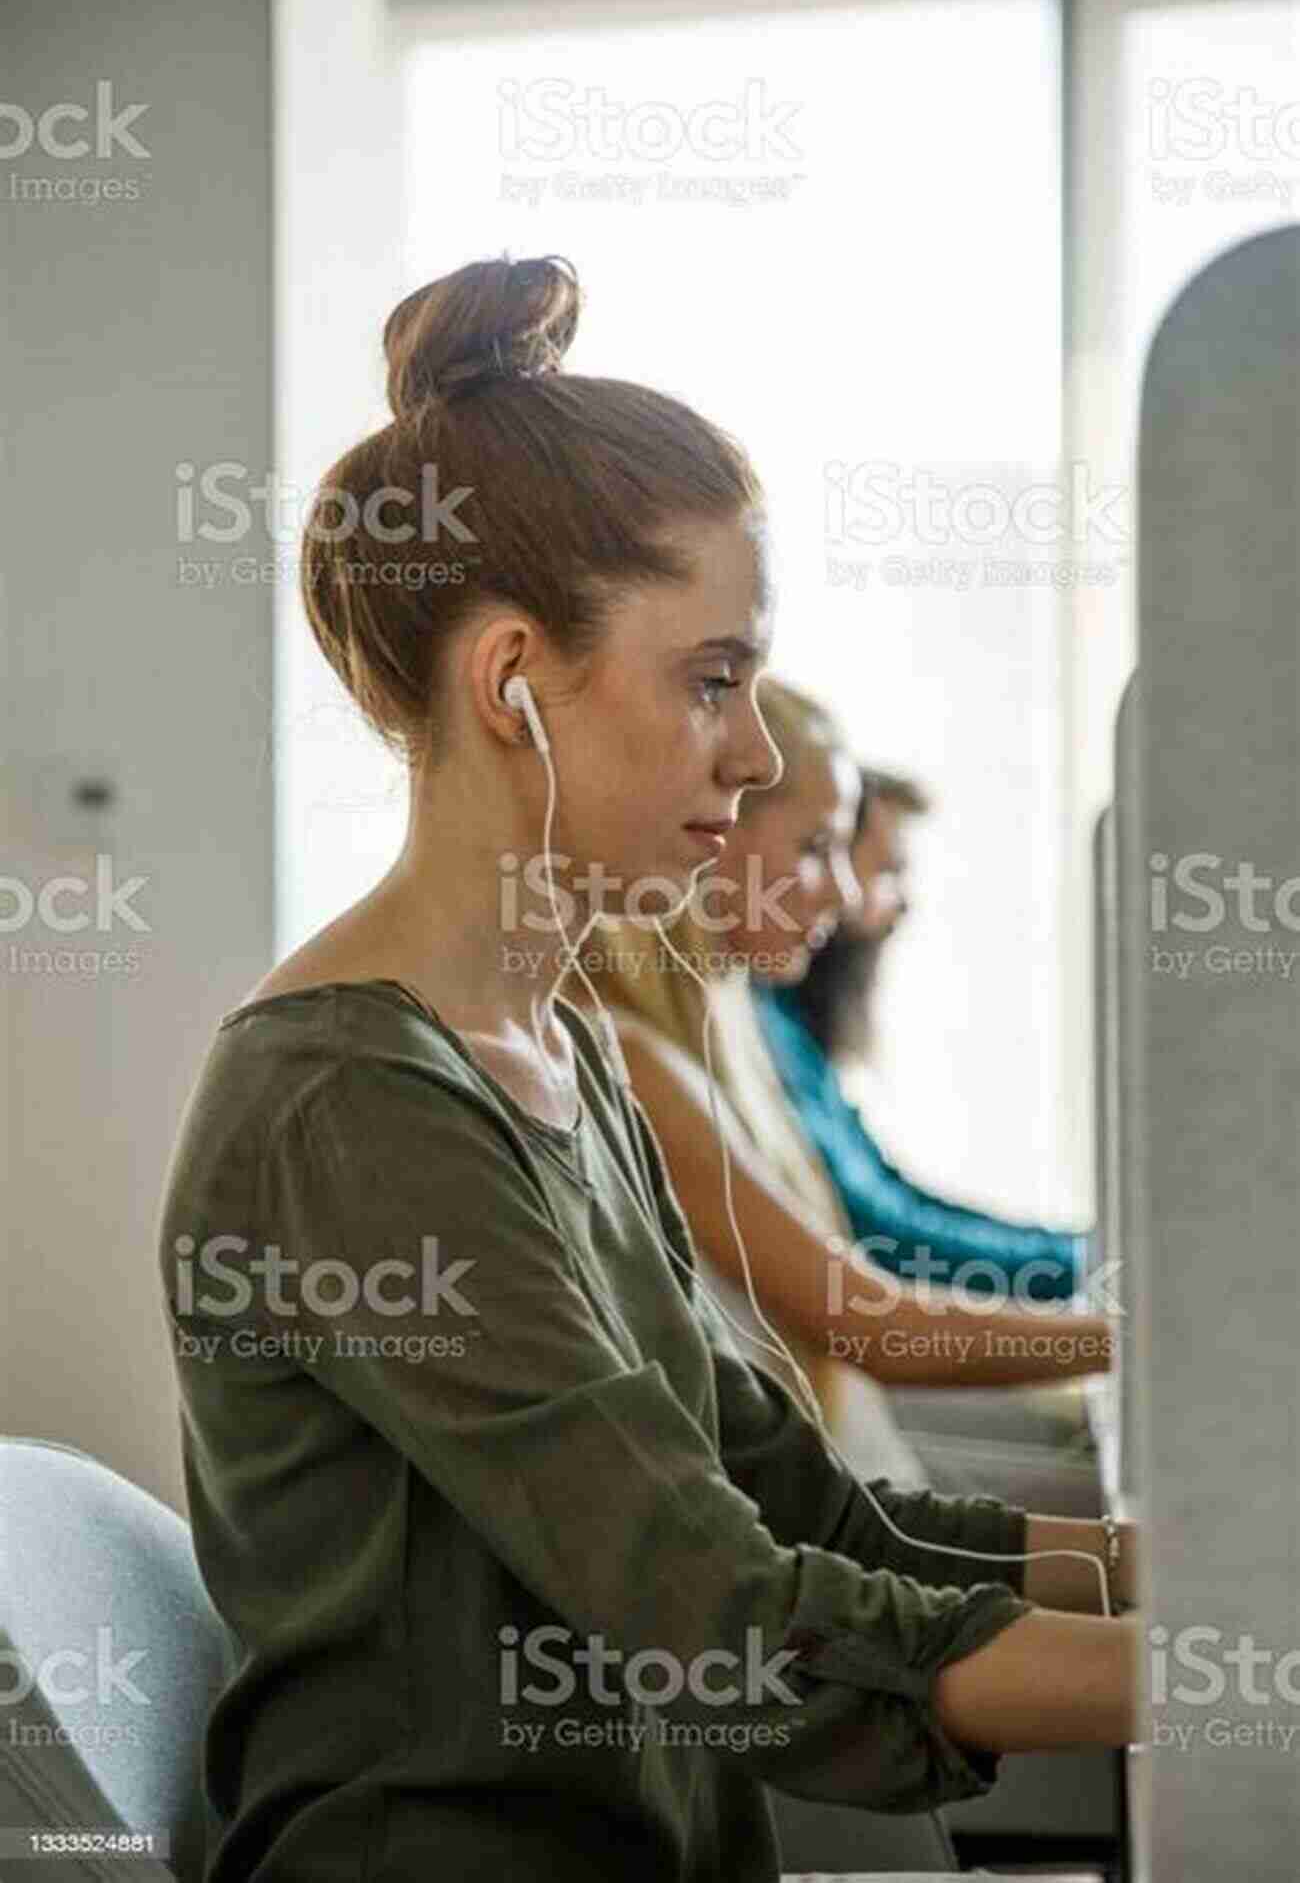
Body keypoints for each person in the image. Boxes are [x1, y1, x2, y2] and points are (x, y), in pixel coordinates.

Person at [156, 255, 1137, 1883]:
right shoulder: (346, 1104)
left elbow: (806, 1518)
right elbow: (727, 1614)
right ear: (516, 689)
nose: (753, 756)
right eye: (711, 681)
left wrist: (1201, 1576)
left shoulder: (566, 1059)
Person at [583, 679, 1113, 1446]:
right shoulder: (639, 1065)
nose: (843, 889)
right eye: (814, 848)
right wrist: (1135, 1337)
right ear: (713, 837)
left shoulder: (731, 1039)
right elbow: (870, 1324)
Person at [755, 764, 1092, 1305]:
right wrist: (1090, 1265)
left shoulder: (790, 1026)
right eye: (887, 872)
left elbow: (897, 1200)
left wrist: (1084, 1253)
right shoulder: (763, 1027)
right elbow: (883, 1232)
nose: (902, 902)